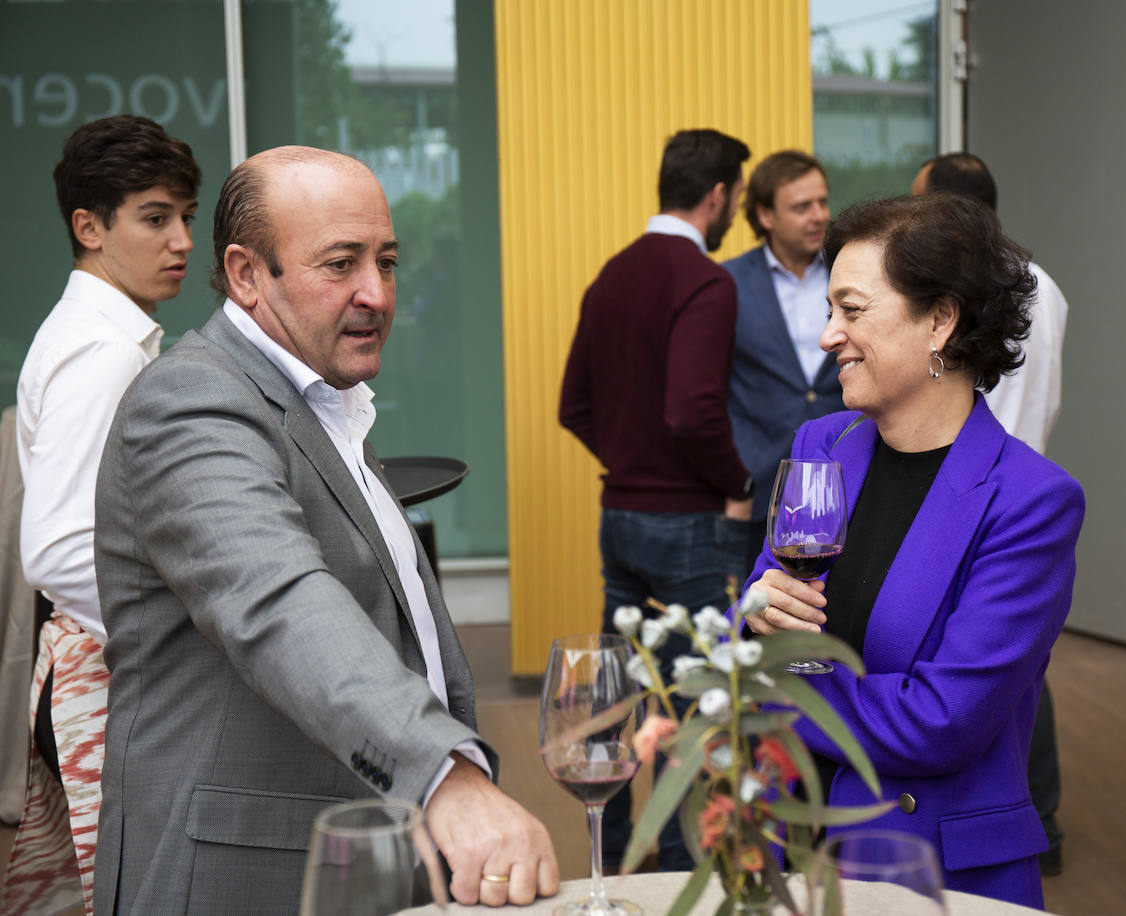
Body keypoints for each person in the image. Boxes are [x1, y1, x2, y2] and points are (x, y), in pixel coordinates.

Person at [91, 146, 558, 914]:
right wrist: (445, 776)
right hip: (238, 876)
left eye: (387, 260)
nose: (376, 293)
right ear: (246, 274)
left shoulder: (324, 402)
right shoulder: (190, 403)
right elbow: (281, 605)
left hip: (359, 855)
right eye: (340, 264)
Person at [742, 193, 1084, 905]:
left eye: (852, 309)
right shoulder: (821, 446)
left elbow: (939, 722)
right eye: (829, 310)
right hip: (788, 842)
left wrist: (779, 680)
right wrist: (751, 621)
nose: (828, 335)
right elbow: (759, 623)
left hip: (930, 872)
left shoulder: (1029, 502)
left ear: (940, 319)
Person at [2, 114, 200, 916]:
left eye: (187, 215)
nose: (182, 239)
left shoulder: (97, 330)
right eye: (156, 218)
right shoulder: (102, 347)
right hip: (104, 670)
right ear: (89, 227)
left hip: (87, 662)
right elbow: (55, 547)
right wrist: (178, 636)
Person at [558, 127, 752, 871]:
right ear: (718, 196)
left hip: (620, 521)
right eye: (734, 195)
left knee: (621, 701)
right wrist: (736, 482)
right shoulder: (705, 281)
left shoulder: (611, 275)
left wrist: (631, 466)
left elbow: (574, 406)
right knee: (688, 708)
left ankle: (608, 864)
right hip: (691, 526)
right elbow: (693, 413)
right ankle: (673, 872)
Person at [912, 151, 1070, 876]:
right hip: (1021, 475)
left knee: (971, 682)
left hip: (970, 490)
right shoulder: (1049, 287)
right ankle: (1039, 818)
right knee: (1017, 677)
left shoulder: (962, 291)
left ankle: (1011, 822)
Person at [722, 150, 844, 589]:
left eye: (822, 202)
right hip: (759, 489)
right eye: (801, 207)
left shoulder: (849, 273)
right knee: (759, 618)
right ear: (765, 215)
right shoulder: (728, 284)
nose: (818, 216)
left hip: (843, 479)